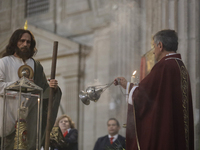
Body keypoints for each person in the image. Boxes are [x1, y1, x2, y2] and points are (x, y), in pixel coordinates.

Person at [114, 29, 194, 150]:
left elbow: (142, 97)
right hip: (179, 136)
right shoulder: (181, 67)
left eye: (154, 47)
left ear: (160, 45)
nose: (153, 52)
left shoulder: (163, 67)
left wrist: (127, 85)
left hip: (166, 138)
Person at [0, 29, 62, 149]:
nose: (25, 44)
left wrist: (52, 88)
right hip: (8, 116)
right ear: (14, 42)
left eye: (28, 42)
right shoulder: (4, 63)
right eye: (22, 41)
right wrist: (20, 84)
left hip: (30, 119)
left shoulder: (35, 66)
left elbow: (43, 90)